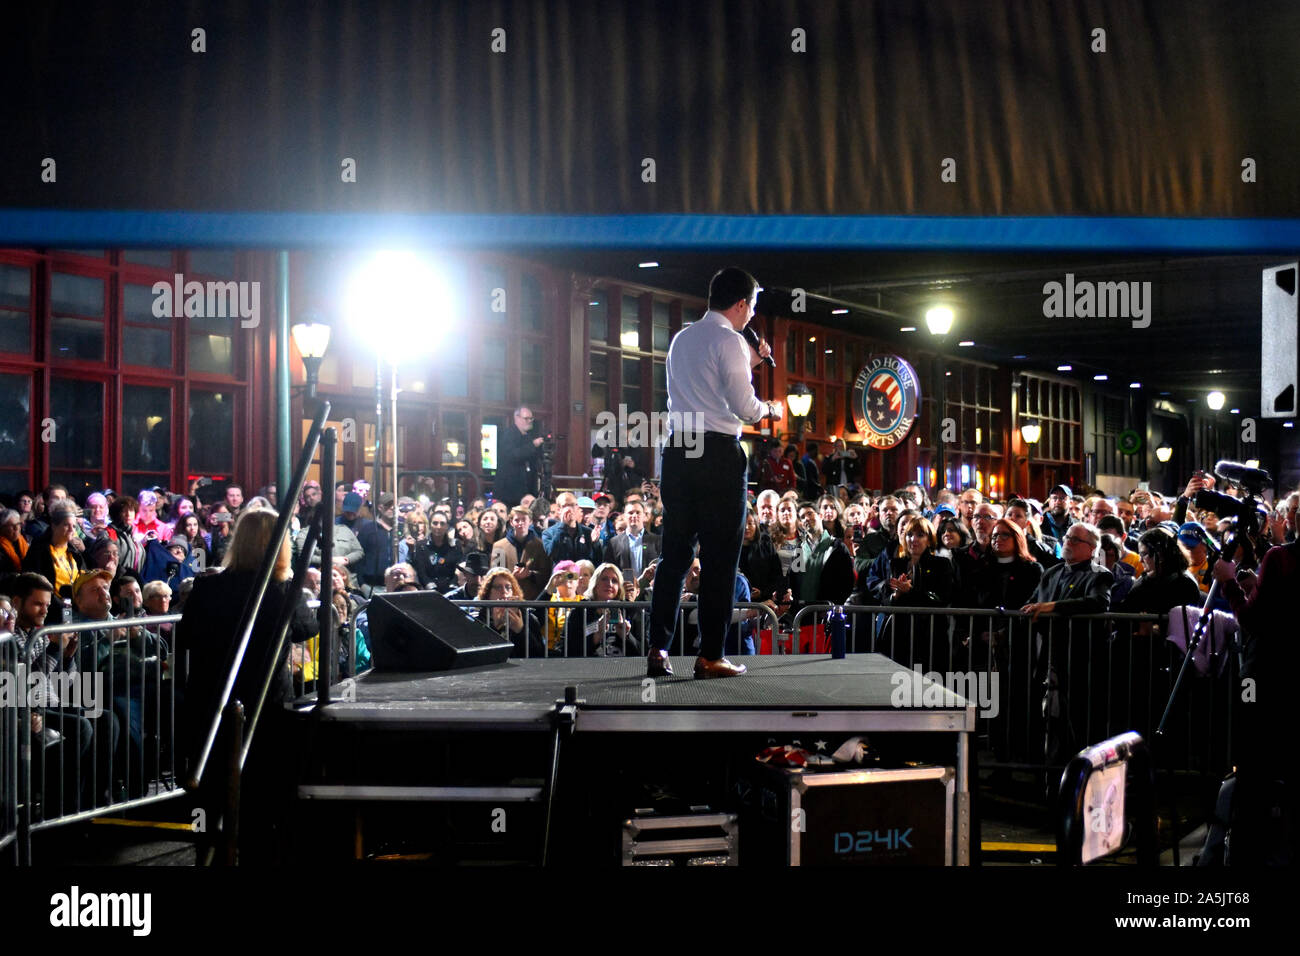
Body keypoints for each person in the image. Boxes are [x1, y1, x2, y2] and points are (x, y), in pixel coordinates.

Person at [646, 267, 782, 680]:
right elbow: (743, 405)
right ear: (740, 304)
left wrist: (750, 361)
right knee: (721, 557)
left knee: (675, 556)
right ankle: (710, 656)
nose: (751, 317)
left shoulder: (681, 338)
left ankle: (657, 650)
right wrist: (770, 410)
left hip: (679, 450)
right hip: (717, 454)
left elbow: (704, 388)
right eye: (752, 308)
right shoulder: (730, 341)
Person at [175, 507, 316, 863]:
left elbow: (187, 636)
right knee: (261, 797)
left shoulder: (207, 587)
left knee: (208, 793)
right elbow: (307, 628)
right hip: (265, 705)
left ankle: (207, 854)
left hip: (211, 701)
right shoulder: (284, 592)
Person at [478, 567, 545, 658]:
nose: (504, 592)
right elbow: (479, 655)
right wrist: (495, 628)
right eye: (498, 587)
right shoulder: (480, 619)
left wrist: (521, 630)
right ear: (488, 592)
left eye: (508, 587)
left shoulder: (528, 618)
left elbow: (539, 654)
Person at [495, 406, 545, 507]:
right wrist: (533, 445)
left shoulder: (528, 437)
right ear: (517, 418)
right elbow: (513, 455)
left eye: (531, 419)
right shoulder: (508, 435)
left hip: (527, 491)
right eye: (526, 418)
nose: (530, 421)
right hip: (510, 493)